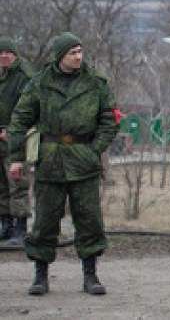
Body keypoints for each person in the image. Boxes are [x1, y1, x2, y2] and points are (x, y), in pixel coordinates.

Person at [7, 32, 118, 296]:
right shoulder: (39, 84)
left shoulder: (96, 83)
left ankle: (90, 276)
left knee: (89, 220)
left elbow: (109, 120)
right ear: (60, 56)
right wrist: (16, 158)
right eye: (72, 52)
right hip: (51, 160)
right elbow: (20, 120)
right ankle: (40, 277)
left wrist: (95, 150)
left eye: (80, 51)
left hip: (84, 160)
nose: (78, 57)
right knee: (45, 221)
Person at [0, 36, 34, 246]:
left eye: (8, 52)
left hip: (16, 137)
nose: (4, 56)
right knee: (2, 184)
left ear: (15, 54)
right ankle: (6, 225)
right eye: (1, 53)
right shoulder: (3, 76)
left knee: (17, 181)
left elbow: (28, 109)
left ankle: (21, 230)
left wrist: (11, 130)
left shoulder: (25, 76)